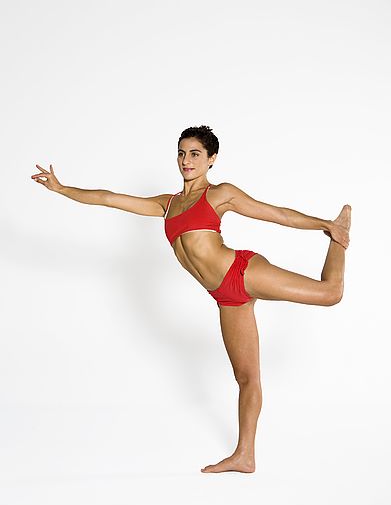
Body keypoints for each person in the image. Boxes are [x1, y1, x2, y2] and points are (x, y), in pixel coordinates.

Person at [31, 124, 351, 474]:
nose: (186, 160)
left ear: (211, 159)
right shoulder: (166, 205)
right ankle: (245, 456)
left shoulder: (219, 194)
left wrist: (325, 225)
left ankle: (341, 231)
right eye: (182, 153)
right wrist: (62, 189)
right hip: (224, 297)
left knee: (329, 293)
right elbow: (109, 198)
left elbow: (277, 214)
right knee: (246, 377)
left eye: (195, 154)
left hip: (242, 272)